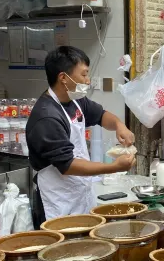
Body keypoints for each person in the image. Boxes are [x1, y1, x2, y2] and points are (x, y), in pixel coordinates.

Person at [26, 46, 136, 227]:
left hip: (79, 191)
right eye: (84, 75)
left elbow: (100, 115)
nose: (88, 80)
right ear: (63, 78)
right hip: (57, 199)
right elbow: (67, 165)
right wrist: (113, 167)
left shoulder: (75, 100)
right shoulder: (47, 117)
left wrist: (119, 125)